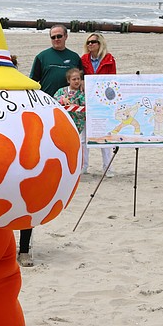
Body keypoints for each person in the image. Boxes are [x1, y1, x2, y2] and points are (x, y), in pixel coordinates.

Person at [21, 24, 83, 267]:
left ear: (66, 37)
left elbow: (83, 80)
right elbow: (32, 81)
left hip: (69, 111)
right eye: (53, 37)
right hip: (45, 107)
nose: (56, 39)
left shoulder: (74, 58)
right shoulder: (42, 57)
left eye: (59, 36)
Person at [80, 33, 116, 175]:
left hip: (103, 99)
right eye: (88, 42)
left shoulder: (109, 59)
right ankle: (83, 166)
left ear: (100, 43)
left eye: (93, 42)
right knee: (84, 137)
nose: (90, 44)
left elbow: (113, 79)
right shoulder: (83, 59)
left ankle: (108, 167)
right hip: (87, 98)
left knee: (104, 134)